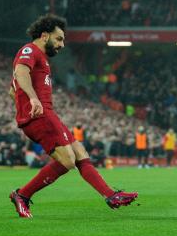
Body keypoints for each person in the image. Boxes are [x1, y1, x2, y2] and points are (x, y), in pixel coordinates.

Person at [8, 14, 137, 218]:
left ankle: (111, 195)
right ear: (44, 35)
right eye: (58, 38)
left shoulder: (42, 58)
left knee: (79, 152)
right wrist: (32, 100)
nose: (62, 44)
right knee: (67, 160)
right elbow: (21, 73)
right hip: (40, 115)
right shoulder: (29, 50)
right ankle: (22, 195)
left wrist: (24, 101)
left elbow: (12, 89)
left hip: (46, 113)